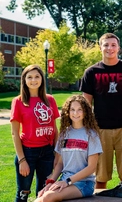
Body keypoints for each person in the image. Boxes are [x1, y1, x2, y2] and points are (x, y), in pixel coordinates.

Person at [80, 33, 122, 189]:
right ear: (100, 47)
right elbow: (85, 106)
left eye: (113, 45)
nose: (110, 48)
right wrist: (87, 133)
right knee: (100, 178)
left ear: (119, 48)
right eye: (106, 45)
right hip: (100, 130)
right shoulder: (91, 72)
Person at [36, 95, 103, 202]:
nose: (75, 113)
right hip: (65, 180)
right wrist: (50, 182)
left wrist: (67, 181)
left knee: (48, 197)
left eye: (79, 110)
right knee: (40, 197)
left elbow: (91, 168)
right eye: (72, 109)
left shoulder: (91, 135)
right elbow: (60, 164)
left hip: (84, 183)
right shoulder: (64, 134)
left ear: (85, 112)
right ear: (68, 111)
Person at [10, 64, 60, 202]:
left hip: (48, 152)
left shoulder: (50, 100)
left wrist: (56, 153)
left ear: (42, 79)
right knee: (23, 193)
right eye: (30, 77)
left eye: (37, 76)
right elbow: (14, 133)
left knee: (44, 193)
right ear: (24, 80)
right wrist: (22, 160)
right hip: (28, 152)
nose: (34, 80)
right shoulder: (18, 101)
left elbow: (54, 128)